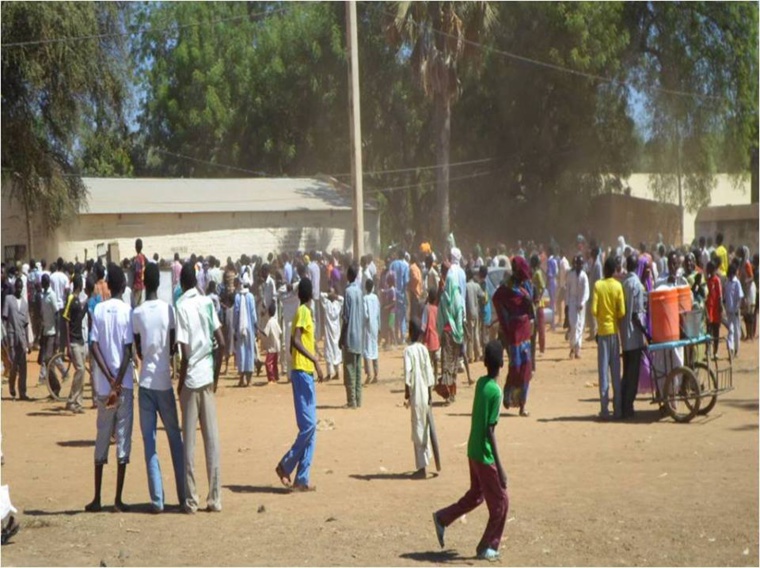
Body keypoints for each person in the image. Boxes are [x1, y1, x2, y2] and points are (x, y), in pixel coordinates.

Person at [432, 340, 509, 561]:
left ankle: (442, 518)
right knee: (502, 501)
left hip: (472, 450)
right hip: (484, 454)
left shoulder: (481, 384)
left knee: (477, 495)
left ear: (484, 362)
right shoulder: (495, 392)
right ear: (502, 364)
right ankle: (487, 545)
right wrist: (500, 468)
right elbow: (491, 431)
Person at [132, 262, 185, 513]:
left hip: (145, 384)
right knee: (175, 438)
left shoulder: (138, 313)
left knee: (149, 443)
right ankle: (184, 495)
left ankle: (157, 499)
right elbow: (174, 344)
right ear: (160, 283)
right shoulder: (168, 310)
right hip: (164, 382)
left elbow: (138, 347)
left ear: (144, 283)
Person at [175, 262, 225, 513]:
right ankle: (215, 498)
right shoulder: (207, 302)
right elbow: (222, 342)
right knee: (212, 440)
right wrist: (215, 377)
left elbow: (184, 353)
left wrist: (180, 383)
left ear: (181, 283)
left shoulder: (181, 306)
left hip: (192, 379)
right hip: (207, 377)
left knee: (190, 443)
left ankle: (192, 500)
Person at [85, 264, 135, 513]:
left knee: (102, 436)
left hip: (105, 387)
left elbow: (93, 346)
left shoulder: (99, 310)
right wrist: (118, 380)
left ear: (108, 285)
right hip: (123, 385)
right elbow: (128, 350)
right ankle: (118, 499)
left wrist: (107, 377)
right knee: (123, 439)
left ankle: (96, 498)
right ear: (122, 287)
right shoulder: (127, 311)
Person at [275, 278, 324, 492]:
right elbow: (295, 341)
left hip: (304, 372)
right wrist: (313, 359)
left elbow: (293, 345)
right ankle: (285, 465)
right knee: (309, 426)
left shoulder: (302, 312)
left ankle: (302, 478)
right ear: (309, 293)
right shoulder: (303, 311)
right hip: (303, 372)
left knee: (312, 429)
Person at [492, 256, 534, 416]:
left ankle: (522, 404)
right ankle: (508, 396)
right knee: (515, 366)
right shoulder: (507, 287)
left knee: (526, 368)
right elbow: (496, 298)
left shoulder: (526, 287)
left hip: (525, 331)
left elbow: (532, 305)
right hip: (515, 331)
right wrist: (506, 318)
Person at [593, 257, 626, 420]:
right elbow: (622, 312)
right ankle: (618, 409)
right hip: (614, 333)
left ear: (605, 270)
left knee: (603, 372)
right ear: (614, 271)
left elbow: (593, 309)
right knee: (615, 372)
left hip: (602, 334)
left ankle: (604, 409)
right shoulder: (618, 286)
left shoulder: (598, 286)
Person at [403, 318, 436, 479]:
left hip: (416, 394)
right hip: (425, 393)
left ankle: (422, 468)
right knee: (425, 427)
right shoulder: (423, 349)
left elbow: (408, 374)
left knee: (418, 428)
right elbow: (429, 373)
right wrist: (430, 395)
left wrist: (407, 394)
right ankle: (425, 462)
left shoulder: (408, 351)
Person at [620, 254, 647, 419]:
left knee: (626, 372)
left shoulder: (623, 283)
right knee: (633, 374)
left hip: (624, 335)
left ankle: (623, 405)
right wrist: (646, 333)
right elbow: (636, 315)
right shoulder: (637, 285)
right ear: (638, 267)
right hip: (634, 337)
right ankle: (628, 407)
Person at [436, 275, 464, 404]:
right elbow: (460, 318)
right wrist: (459, 333)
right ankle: (452, 393)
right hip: (456, 334)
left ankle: (447, 395)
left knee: (446, 363)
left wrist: (441, 331)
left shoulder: (443, 299)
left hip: (446, 334)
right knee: (453, 363)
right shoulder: (458, 298)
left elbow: (439, 319)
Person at [63, 275, 87, 413]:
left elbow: (79, 318)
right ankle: (71, 400)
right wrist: (67, 343)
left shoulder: (78, 300)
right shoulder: (71, 299)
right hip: (73, 341)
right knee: (80, 369)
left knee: (82, 371)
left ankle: (78, 402)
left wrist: (86, 306)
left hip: (80, 340)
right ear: (79, 285)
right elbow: (66, 319)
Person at [2, 279, 30, 400]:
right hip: (12, 336)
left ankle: (22, 392)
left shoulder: (24, 303)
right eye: (17, 288)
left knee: (23, 365)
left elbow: (26, 324)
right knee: (13, 364)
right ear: (14, 288)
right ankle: (12, 386)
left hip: (22, 337)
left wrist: (28, 342)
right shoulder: (9, 300)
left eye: (20, 288)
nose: (19, 290)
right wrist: (4, 336)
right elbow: (4, 318)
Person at [341, 265, 364, 408]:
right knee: (357, 370)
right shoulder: (360, 292)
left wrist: (341, 337)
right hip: (359, 336)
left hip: (350, 335)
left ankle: (351, 401)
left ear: (349, 276)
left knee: (349, 369)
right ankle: (358, 399)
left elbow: (346, 317)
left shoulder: (348, 292)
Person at [233, 280, 257, 387]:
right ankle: (249, 380)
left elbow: (236, 314)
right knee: (249, 351)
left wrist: (235, 328)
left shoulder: (238, 297)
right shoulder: (251, 297)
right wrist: (256, 327)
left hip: (240, 328)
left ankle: (241, 379)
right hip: (250, 328)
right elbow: (253, 314)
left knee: (241, 352)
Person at [565, 255, 589, 359]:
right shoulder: (570, 275)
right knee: (573, 325)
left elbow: (586, 291)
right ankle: (572, 347)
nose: (579, 265)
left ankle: (577, 349)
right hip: (572, 301)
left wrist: (582, 303)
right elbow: (567, 289)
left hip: (581, 304)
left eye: (581, 264)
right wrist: (566, 304)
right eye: (578, 264)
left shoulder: (584, 276)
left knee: (580, 326)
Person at [320, 287, 343, 381]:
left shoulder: (327, 304)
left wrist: (329, 294)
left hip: (330, 332)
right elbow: (342, 299)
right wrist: (335, 295)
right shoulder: (338, 304)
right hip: (335, 332)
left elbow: (321, 295)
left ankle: (330, 374)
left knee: (330, 351)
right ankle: (337, 372)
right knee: (336, 351)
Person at [258, 303, 281, 384]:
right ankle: (276, 377)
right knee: (274, 363)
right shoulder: (275, 321)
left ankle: (271, 378)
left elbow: (265, 333)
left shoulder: (270, 322)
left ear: (268, 312)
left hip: (271, 347)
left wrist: (259, 329)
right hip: (277, 345)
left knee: (268, 363)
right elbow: (280, 332)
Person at [724, 262, 744, 358]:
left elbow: (740, 297)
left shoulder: (737, 283)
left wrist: (737, 308)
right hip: (729, 310)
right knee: (730, 330)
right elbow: (725, 297)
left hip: (735, 311)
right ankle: (730, 349)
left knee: (736, 331)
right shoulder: (727, 283)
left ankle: (736, 348)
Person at [362, 279, 380, 385]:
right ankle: (376, 373)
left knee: (367, 350)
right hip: (375, 325)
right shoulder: (376, 298)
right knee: (374, 348)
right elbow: (378, 313)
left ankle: (369, 374)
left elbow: (365, 314)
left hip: (368, 326)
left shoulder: (365, 299)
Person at [465, 268, 484, 364]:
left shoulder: (466, 286)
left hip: (468, 313)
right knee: (476, 333)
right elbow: (482, 296)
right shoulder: (477, 286)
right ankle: (477, 354)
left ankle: (470, 356)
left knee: (470, 335)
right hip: (476, 313)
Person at [421, 287, 441, 380]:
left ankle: (429, 379)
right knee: (436, 361)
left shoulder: (426, 308)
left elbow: (423, 325)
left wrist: (420, 338)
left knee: (428, 361)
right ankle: (436, 378)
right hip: (436, 339)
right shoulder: (437, 309)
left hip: (428, 339)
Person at [586, 247, 602, 339]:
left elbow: (599, 279)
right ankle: (592, 332)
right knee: (591, 312)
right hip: (591, 290)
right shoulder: (593, 263)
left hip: (595, 291)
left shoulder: (598, 265)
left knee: (594, 312)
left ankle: (594, 333)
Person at [132, 239, 147, 308]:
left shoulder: (137, 259)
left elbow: (137, 271)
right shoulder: (143, 257)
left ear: (135, 247)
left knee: (136, 306)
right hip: (143, 283)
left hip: (137, 285)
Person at [546, 248, 558, 331]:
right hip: (555, 281)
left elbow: (549, 274)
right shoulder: (555, 260)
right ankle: (552, 323)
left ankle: (552, 323)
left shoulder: (549, 261)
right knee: (553, 303)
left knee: (551, 304)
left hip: (551, 282)